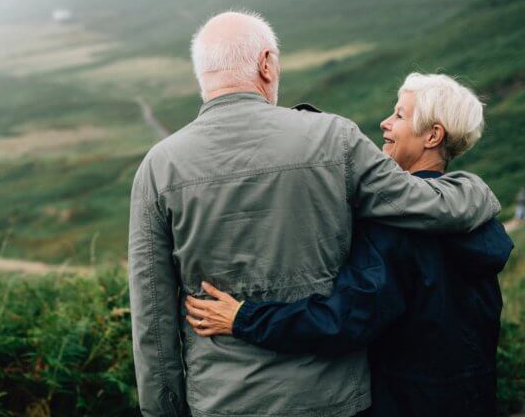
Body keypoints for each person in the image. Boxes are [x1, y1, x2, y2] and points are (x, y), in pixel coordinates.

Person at [128, 11, 501, 417]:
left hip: (221, 402)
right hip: (335, 400)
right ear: (266, 63)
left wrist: (162, 410)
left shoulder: (158, 167)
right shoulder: (335, 139)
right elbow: (426, 204)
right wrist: (475, 189)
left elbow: (153, 319)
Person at [184, 73, 513, 416]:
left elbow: (344, 321)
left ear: (433, 135)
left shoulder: (397, 228)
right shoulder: (477, 219)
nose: (385, 123)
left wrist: (244, 318)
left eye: (400, 115)